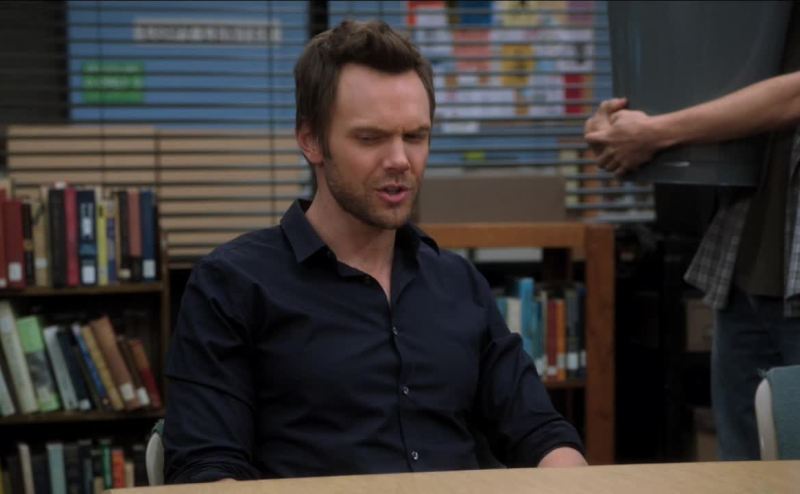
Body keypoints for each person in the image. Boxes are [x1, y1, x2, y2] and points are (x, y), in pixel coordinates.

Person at [164, 19, 586, 483]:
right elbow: (208, 469)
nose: (400, 160)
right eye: (371, 138)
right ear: (310, 140)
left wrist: (573, 477)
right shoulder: (233, 285)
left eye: (415, 136)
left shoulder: (457, 282)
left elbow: (540, 432)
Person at [585, 52, 800, 460]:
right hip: (742, 266)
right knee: (740, 471)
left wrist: (655, 131)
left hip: (785, 271)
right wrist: (620, 125)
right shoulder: (758, 25)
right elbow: (708, 77)